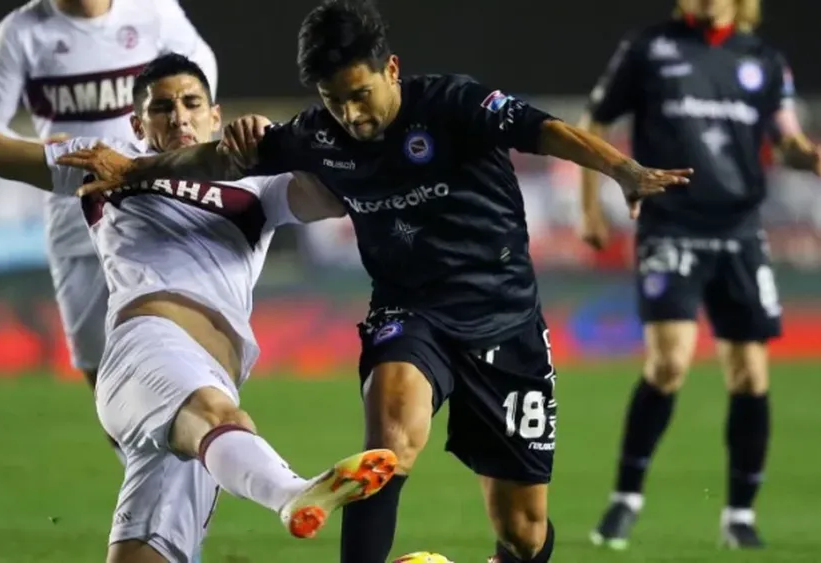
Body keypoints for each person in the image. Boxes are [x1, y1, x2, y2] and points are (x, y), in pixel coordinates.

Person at [56, 2, 692, 561]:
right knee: (388, 440)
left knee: (523, 532)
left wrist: (623, 170)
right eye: (335, 100)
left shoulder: (452, 103)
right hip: (410, 314)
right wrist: (134, 171)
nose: (352, 115)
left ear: (391, 69)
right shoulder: (318, 134)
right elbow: (219, 158)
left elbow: (545, 131)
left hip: (505, 320)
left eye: (361, 95)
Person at [0, 53, 397, 563]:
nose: (179, 116)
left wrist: (281, 144)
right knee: (217, 412)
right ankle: (290, 491)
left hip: (212, 407)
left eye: (191, 103)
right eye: (161, 107)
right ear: (138, 125)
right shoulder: (108, 164)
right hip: (147, 352)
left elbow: (333, 196)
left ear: (214, 115)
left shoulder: (259, 186)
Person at [576, 0, 821, 550]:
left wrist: (810, 156)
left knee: (750, 374)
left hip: (740, 231)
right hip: (670, 226)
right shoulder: (648, 48)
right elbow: (593, 120)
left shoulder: (763, 60)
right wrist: (590, 205)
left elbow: (786, 140)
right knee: (669, 363)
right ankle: (626, 499)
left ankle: (739, 516)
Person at [0, 0, 218, 460]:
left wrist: (177, 149)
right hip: (74, 214)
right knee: (99, 370)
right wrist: (37, 147)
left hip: (152, 209)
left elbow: (201, 71)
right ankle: (140, 471)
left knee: (182, 355)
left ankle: (200, 464)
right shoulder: (22, 30)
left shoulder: (153, 11)